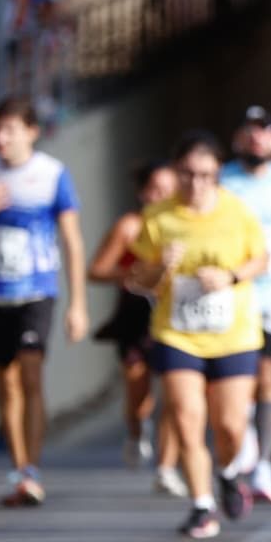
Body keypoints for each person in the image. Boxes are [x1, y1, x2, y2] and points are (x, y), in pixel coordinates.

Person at [128, 132, 267, 539]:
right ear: (176, 173)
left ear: (218, 173)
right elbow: (138, 280)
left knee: (229, 426)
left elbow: (261, 259)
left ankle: (226, 471)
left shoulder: (238, 212)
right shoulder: (158, 217)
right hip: (178, 334)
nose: (196, 183)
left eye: (206, 175)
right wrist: (161, 268)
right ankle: (202, 504)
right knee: (188, 419)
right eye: (187, 174)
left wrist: (230, 276)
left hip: (234, 334)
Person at [0, 97, 89, 506]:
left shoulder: (51, 175)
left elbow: (71, 240)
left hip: (36, 291)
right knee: (5, 383)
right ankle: (19, 469)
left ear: (31, 131)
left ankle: (32, 467)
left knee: (31, 372)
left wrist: (78, 304)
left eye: (9, 130)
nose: (0, 139)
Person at [219, 106, 271, 504]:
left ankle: (264, 462)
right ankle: (243, 442)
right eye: (249, 131)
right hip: (236, 296)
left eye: (264, 131)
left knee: (269, 375)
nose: (256, 139)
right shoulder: (223, 183)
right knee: (241, 378)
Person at [89, 159, 184, 491]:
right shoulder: (130, 227)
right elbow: (96, 270)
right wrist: (132, 275)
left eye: (170, 191)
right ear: (143, 193)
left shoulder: (186, 225)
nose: (162, 197)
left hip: (175, 316)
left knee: (175, 391)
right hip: (135, 314)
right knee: (138, 387)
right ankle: (136, 428)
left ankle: (167, 466)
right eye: (156, 190)